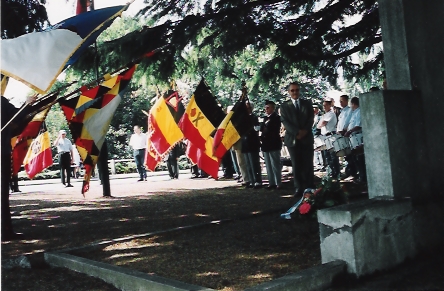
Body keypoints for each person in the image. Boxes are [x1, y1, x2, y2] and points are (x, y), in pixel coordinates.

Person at [280, 82, 315, 197]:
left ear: (299, 91)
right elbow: (285, 121)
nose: (295, 92)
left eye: (297, 90)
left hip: (307, 138)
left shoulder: (307, 103)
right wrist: (297, 132)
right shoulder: (285, 106)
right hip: (292, 140)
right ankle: (298, 188)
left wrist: (304, 131)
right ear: (289, 92)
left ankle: (310, 187)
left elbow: (311, 119)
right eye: (292, 90)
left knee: (308, 164)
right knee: (296, 165)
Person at [260, 100, 282, 190]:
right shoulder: (265, 118)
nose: (266, 109)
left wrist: (265, 129)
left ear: (273, 108)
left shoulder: (276, 117)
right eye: (265, 108)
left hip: (273, 143)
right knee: (268, 165)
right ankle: (271, 182)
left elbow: (273, 129)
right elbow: (261, 128)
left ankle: (278, 183)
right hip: (266, 144)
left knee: (275, 164)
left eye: (268, 107)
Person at [344, 97, 366, 184]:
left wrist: (349, 131)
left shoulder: (359, 112)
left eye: (351, 104)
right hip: (353, 137)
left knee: (360, 158)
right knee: (356, 158)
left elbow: (358, 126)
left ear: (353, 104)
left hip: (358, 136)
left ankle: (363, 177)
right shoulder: (355, 112)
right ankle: (360, 176)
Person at [241, 101, 262, 189]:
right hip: (245, 143)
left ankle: (257, 180)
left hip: (253, 142)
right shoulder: (242, 118)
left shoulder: (254, 117)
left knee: (254, 163)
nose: (247, 109)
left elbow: (256, 128)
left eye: (249, 107)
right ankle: (251, 180)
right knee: (248, 164)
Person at [318, 98, 340, 178]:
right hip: (325, 136)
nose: (324, 107)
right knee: (327, 155)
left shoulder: (331, 114)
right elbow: (318, 125)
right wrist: (321, 125)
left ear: (329, 105)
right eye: (323, 105)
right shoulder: (324, 115)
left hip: (330, 135)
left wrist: (321, 124)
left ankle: (337, 172)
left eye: (325, 105)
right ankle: (332, 171)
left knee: (333, 155)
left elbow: (323, 123)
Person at [336, 94, 357, 179]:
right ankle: (348, 171)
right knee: (346, 154)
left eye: (342, 101)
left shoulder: (349, 110)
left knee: (350, 154)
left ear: (346, 101)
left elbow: (348, 122)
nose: (340, 102)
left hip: (346, 133)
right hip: (341, 134)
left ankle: (351, 172)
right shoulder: (342, 111)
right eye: (339, 101)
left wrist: (345, 130)